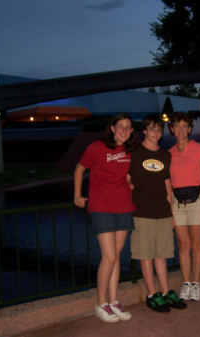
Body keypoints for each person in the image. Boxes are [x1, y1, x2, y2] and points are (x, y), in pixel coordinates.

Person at [73, 113, 138, 323]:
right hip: (101, 206)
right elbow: (80, 168)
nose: (124, 130)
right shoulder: (96, 148)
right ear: (112, 128)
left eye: (128, 127)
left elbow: (128, 177)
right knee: (109, 256)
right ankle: (100, 303)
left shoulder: (130, 150)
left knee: (117, 255)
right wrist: (77, 194)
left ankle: (113, 300)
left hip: (124, 205)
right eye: (120, 126)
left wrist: (133, 184)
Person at [128, 114, 187, 312]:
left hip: (162, 211)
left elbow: (167, 184)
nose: (156, 133)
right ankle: (152, 294)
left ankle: (165, 290)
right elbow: (125, 178)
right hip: (142, 211)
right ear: (144, 131)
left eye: (159, 129)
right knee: (146, 254)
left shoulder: (164, 155)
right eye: (152, 129)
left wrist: (171, 212)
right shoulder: (134, 153)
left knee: (161, 254)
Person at [168, 112, 200, 301]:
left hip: (198, 200)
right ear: (171, 129)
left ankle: (196, 283)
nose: (181, 130)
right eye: (177, 126)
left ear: (190, 129)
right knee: (183, 245)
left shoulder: (199, 149)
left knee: (196, 245)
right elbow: (168, 183)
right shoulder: (169, 153)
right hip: (177, 202)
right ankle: (186, 283)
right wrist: (169, 208)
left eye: (184, 126)